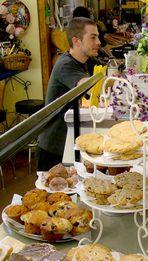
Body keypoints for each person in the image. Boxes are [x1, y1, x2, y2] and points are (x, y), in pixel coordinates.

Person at [36, 18, 101, 171]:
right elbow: (87, 86)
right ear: (76, 41)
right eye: (93, 37)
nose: (98, 42)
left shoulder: (82, 61)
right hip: (53, 147)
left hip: (66, 141)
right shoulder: (66, 64)